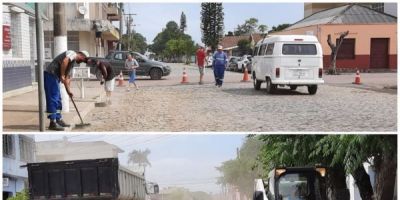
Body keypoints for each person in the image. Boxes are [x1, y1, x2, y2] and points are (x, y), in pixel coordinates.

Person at [44, 50, 89, 131]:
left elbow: (66, 79)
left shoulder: (71, 64)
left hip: (55, 77)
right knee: (53, 99)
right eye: (84, 59)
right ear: (81, 55)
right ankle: (52, 123)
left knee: (58, 100)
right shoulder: (72, 53)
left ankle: (58, 120)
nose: (82, 61)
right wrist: (62, 75)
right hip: (51, 74)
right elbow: (64, 61)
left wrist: (69, 91)